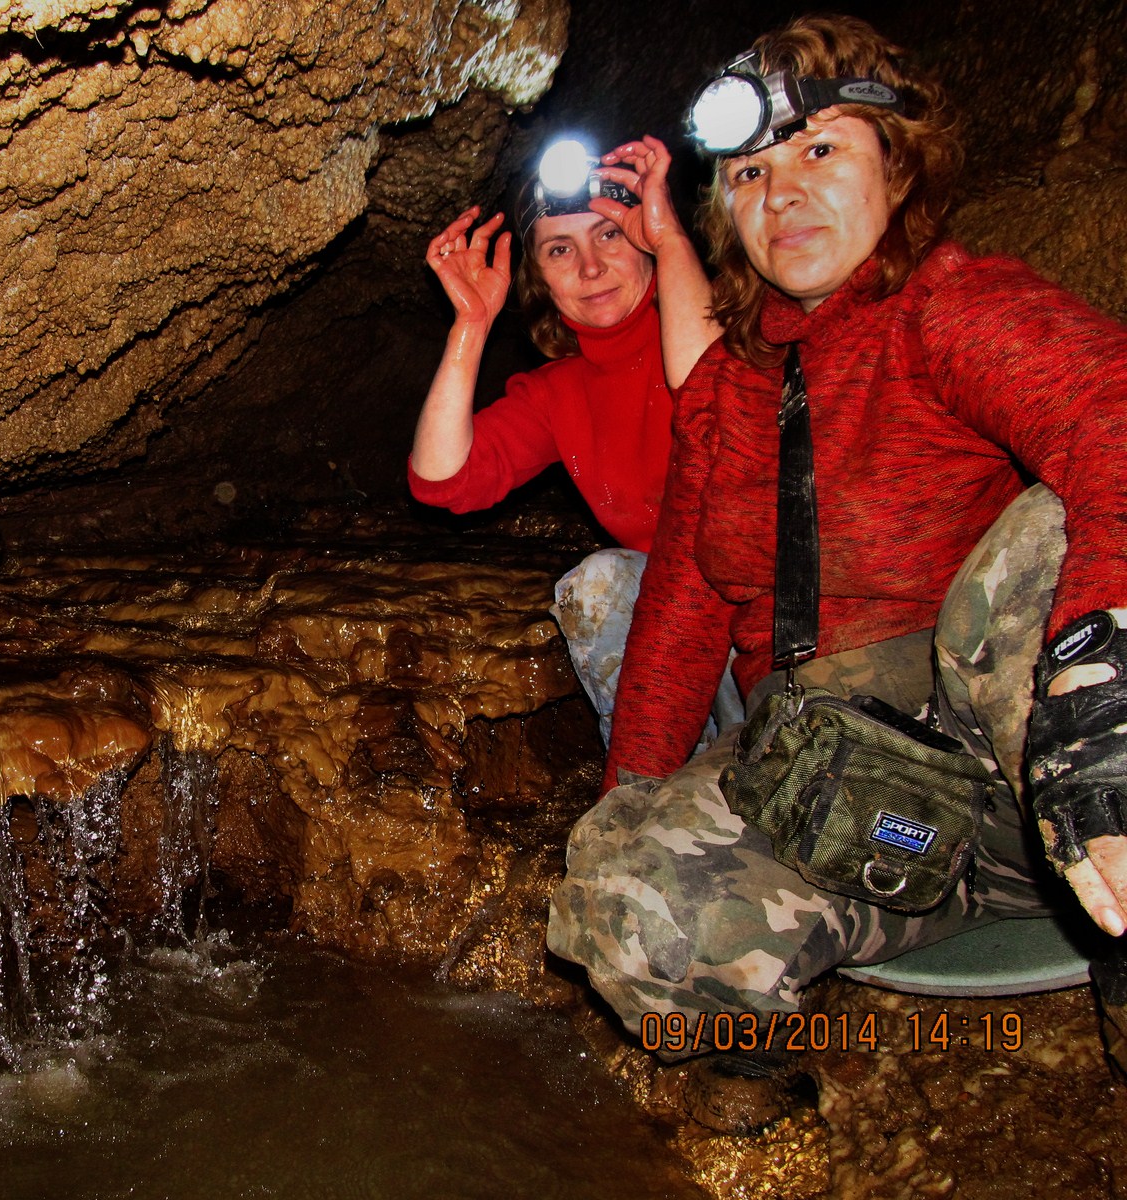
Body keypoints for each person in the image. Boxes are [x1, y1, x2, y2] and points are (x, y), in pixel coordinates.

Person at [546, 13, 1127, 1133]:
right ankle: (775, 1075)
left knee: (1041, 546)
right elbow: (680, 611)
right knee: (615, 888)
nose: (784, 194)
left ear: (896, 167)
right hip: (838, 796)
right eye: (750, 173)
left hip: (1022, 767)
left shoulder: (947, 307)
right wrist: (635, 804)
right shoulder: (722, 390)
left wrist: (1100, 693)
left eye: (821, 150)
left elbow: (1112, 412)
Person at [408, 135, 738, 748]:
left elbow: (715, 403)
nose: (590, 268)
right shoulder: (559, 392)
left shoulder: (737, 320)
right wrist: (471, 324)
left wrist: (671, 241)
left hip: (778, 602)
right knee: (598, 584)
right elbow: (441, 481)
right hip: (682, 617)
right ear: (540, 278)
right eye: (560, 249)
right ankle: (659, 777)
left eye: (609, 234)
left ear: (646, 237)